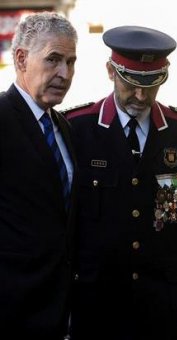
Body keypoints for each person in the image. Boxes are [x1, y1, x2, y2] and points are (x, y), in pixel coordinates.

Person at [64, 26, 177, 340]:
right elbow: (66, 223)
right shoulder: (77, 129)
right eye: (131, 83)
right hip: (95, 303)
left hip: (162, 304)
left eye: (151, 85)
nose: (140, 96)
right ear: (111, 72)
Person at [0, 12, 77, 339]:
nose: (65, 73)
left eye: (71, 62)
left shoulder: (65, 128)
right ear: (21, 59)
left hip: (62, 314)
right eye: (54, 60)